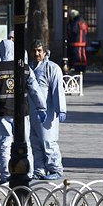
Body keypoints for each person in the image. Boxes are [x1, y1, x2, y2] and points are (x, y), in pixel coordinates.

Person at [0, 39, 47, 185]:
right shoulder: (25, 68)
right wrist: (41, 107)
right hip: (22, 114)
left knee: (4, 145)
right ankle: (29, 172)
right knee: (25, 143)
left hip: (2, 113)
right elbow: (35, 90)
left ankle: (6, 175)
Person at [29, 40, 67, 180]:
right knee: (35, 142)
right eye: (34, 50)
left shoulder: (52, 68)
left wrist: (60, 109)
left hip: (48, 113)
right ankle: (39, 169)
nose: (37, 53)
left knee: (48, 141)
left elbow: (58, 90)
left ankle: (55, 168)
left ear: (45, 52)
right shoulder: (29, 68)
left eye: (39, 50)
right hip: (32, 113)